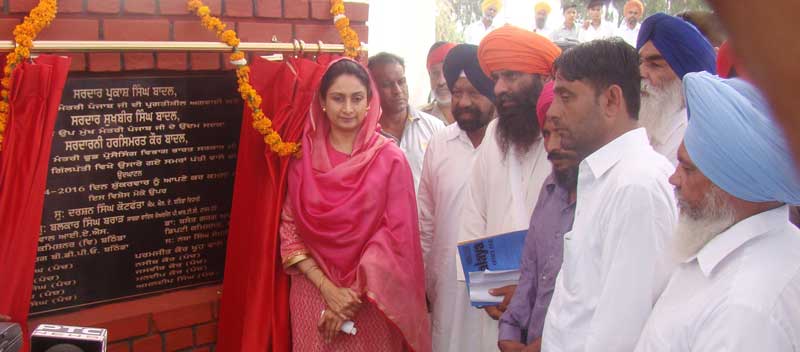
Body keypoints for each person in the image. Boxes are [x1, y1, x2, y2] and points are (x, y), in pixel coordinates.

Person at [635, 72, 800, 352]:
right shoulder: (730, 250)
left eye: (687, 169)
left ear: (733, 182)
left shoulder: (745, 310)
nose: (673, 179)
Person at [279, 58, 431, 352]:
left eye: (356, 98)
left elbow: (396, 237)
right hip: (312, 291)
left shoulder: (389, 159)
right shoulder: (303, 159)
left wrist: (349, 296)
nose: (347, 108)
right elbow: (290, 230)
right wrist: (328, 290)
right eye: (338, 98)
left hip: (371, 296)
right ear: (322, 101)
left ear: (369, 102)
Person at [541, 38, 677, 352]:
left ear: (611, 101)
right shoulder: (605, 176)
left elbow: (622, 332)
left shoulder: (636, 185)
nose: (554, 111)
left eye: (566, 96)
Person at [459, 25, 561, 351]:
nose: (500, 88)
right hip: (497, 301)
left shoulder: (567, 139)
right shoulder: (493, 134)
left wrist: (529, 291)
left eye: (512, 76)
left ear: (544, 79)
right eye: (497, 78)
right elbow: (474, 212)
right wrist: (485, 290)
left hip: (552, 302)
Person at [418, 43, 497, 352]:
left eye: (474, 92)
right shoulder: (439, 144)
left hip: (496, 283)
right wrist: (424, 281)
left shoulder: (509, 142)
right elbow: (425, 221)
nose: (463, 102)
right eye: (457, 93)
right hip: (447, 285)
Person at [497, 82, 578, 352]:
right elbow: (531, 272)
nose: (552, 146)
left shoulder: (606, 196)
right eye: (546, 133)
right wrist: (509, 329)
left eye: (562, 133)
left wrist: (545, 345)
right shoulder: (551, 187)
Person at [637, 13, 716, 165]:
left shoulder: (694, 138)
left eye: (655, 65)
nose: (641, 73)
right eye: (640, 62)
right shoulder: (647, 123)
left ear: (683, 75)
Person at [368, 52, 445, 191]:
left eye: (401, 82)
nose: (397, 90)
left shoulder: (434, 128)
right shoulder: (367, 135)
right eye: (387, 84)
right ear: (372, 89)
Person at [421, 42, 457, 125]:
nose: (441, 81)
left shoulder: (476, 113)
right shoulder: (420, 120)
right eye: (435, 73)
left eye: (447, 72)